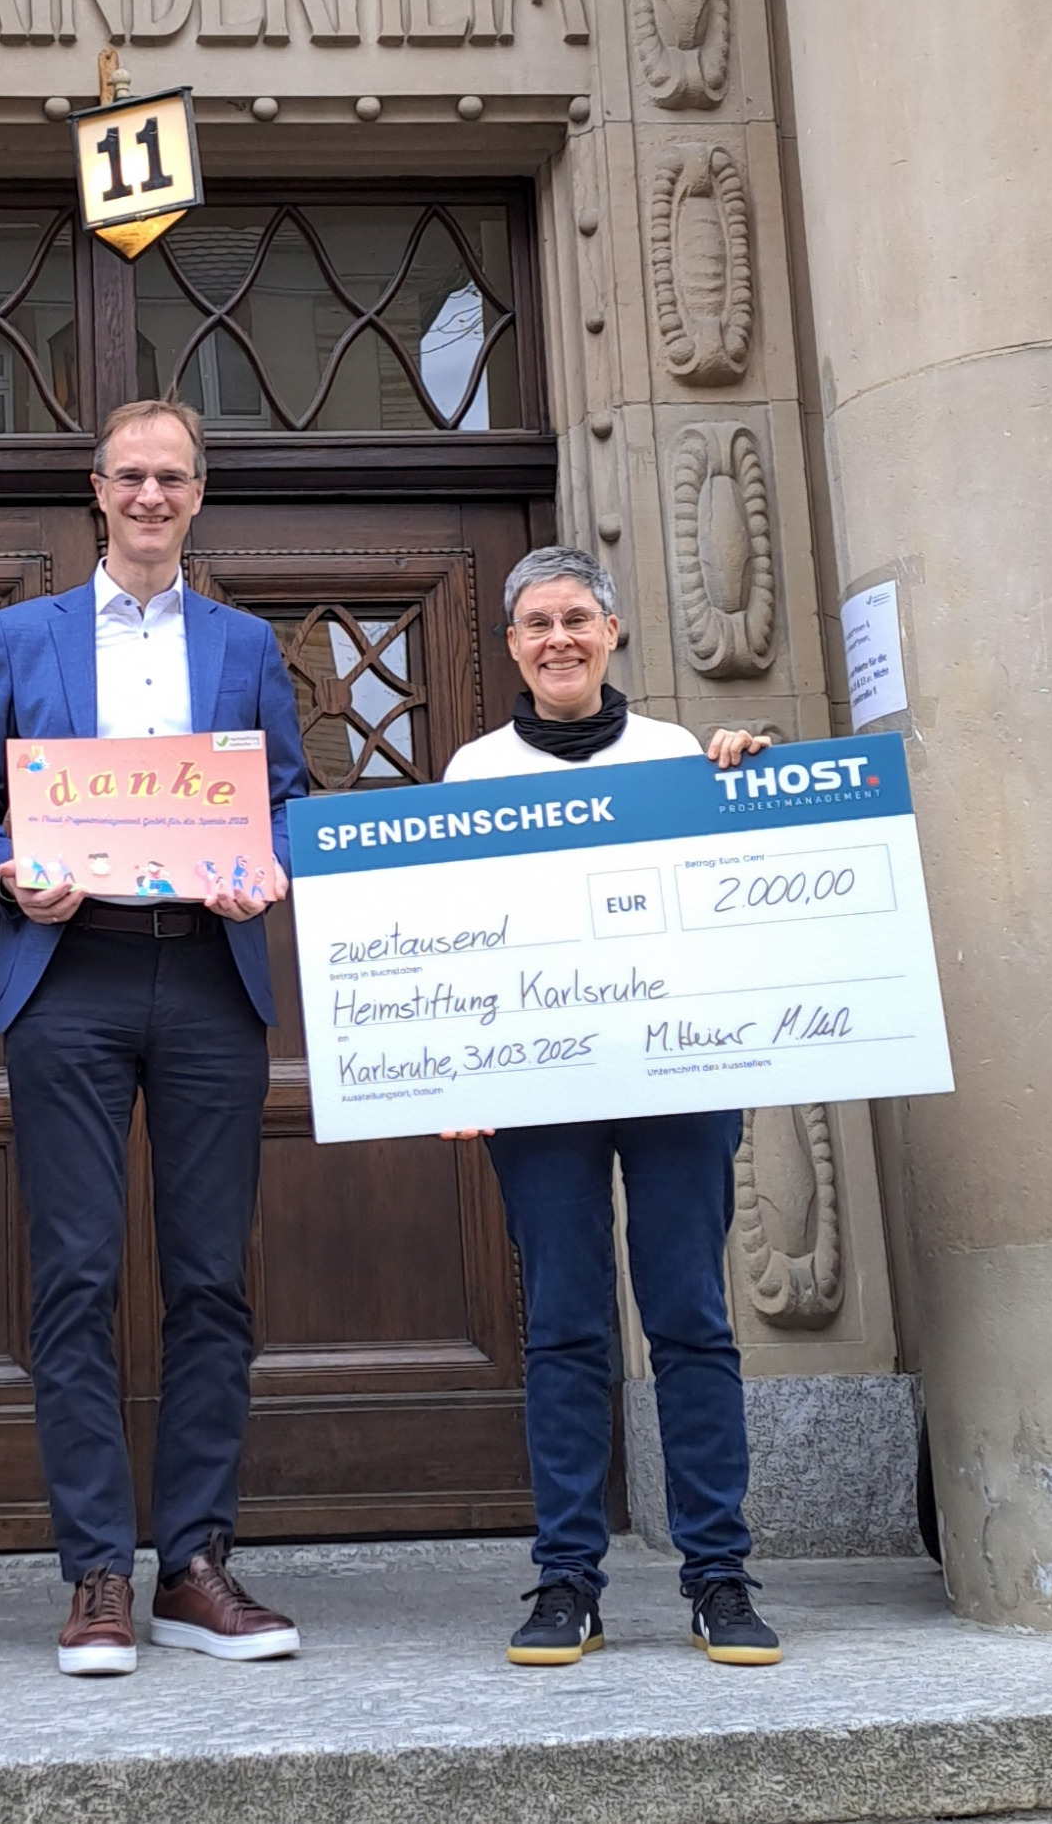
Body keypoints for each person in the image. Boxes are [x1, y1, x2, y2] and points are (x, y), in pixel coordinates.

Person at [0, 398, 311, 1677]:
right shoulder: (23, 634)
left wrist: (269, 869)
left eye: (173, 478)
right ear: (95, 491)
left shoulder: (246, 644)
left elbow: (287, 799)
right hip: (71, 978)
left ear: (198, 496)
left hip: (207, 975)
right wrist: (3, 871)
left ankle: (193, 1565)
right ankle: (96, 1567)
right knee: (76, 1276)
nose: (151, 497)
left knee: (209, 1279)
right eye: (130, 476)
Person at [442, 544, 784, 1670]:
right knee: (565, 1328)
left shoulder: (679, 755)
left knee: (690, 1318)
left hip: (675, 1076)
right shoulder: (474, 771)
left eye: (576, 619)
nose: (559, 639)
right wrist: (453, 1068)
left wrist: (743, 784)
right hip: (541, 1086)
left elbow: (740, 896)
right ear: (511, 646)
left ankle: (718, 1576)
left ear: (612, 632)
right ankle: (567, 1581)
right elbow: (452, 938)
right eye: (537, 623)